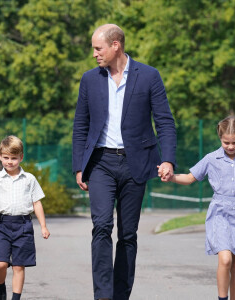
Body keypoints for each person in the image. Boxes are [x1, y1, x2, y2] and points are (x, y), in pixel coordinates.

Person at [72, 24, 176, 300]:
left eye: (98, 48)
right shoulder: (90, 79)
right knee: (102, 226)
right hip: (101, 163)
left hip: (136, 163)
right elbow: (80, 126)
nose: (94, 54)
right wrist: (79, 166)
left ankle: (120, 295)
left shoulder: (149, 76)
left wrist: (168, 160)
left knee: (128, 234)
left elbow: (164, 121)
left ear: (115, 45)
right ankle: (103, 295)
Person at [159, 116, 235, 300]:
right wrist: (172, 177)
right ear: (220, 138)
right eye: (226, 142)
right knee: (225, 259)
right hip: (220, 213)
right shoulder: (211, 158)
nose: (230, 146)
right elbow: (191, 178)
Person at [0, 135, 50, 300]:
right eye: (6, 157)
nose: (9, 161)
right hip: (3, 225)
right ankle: (1, 288)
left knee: (18, 266)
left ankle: (16, 298)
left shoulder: (29, 179)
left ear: (21, 157)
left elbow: (36, 203)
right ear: (0, 156)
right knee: (0, 264)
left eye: (14, 158)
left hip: (23, 226)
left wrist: (43, 226)